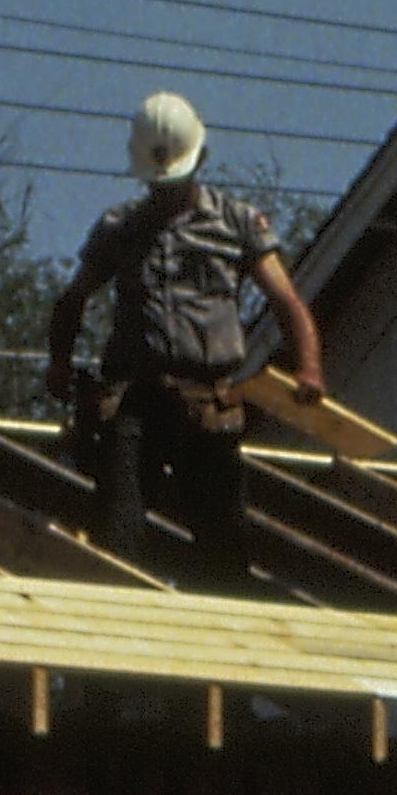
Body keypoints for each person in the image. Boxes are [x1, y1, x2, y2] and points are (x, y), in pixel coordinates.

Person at [44, 90, 329, 568]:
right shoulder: (121, 227)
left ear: (200, 162)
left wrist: (309, 369)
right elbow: (73, 299)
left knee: (223, 545)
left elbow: (286, 301)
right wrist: (58, 365)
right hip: (136, 399)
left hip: (207, 402)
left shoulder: (237, 223)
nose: (166, 193)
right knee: (119, 529)